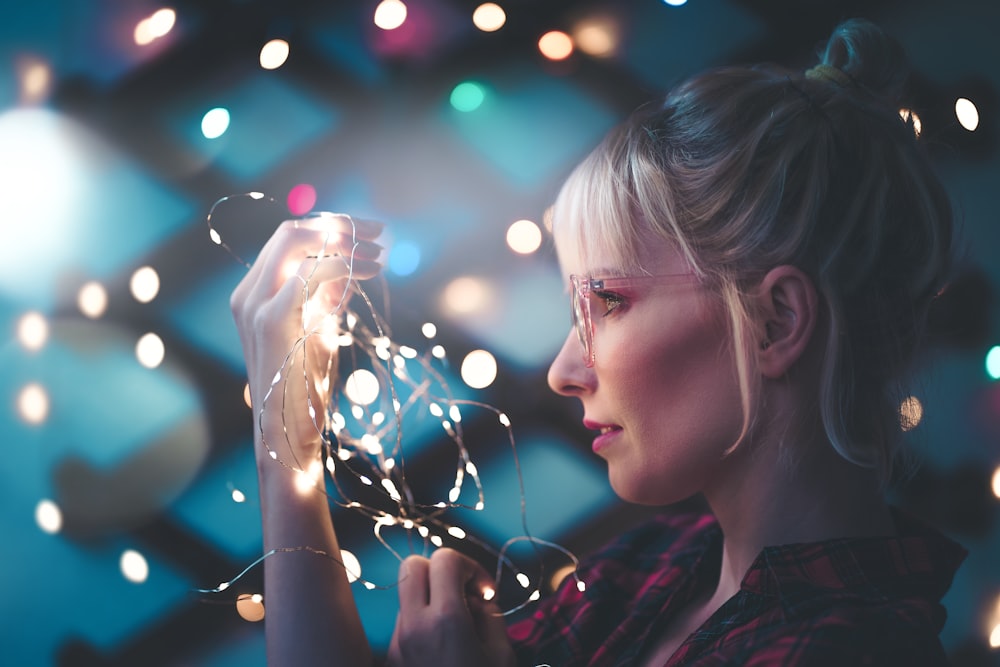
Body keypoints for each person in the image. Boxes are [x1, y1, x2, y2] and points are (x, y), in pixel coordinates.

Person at [230, 18, 967, 667]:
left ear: (775, 321)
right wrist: (283, 440)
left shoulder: (852, 648)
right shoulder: (645, 571)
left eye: (608, 302)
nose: (562, 370)